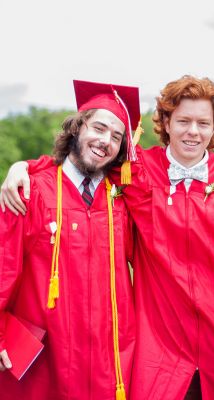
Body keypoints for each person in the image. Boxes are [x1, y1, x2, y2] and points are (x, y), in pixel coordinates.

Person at [2, 75, 214, 400]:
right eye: (183, 120)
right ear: (166, 123)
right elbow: (79, 162)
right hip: (161, 354)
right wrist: (24, 167)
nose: (193, 131)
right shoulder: (140, 174)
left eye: (203, 123)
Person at [0, 79, 141, 400]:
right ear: (77, 128)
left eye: (117, 137)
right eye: (99, 128)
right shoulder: (32, 191)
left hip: (107, 356)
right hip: (46, 353)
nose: (105, 141)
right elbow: (3, 267)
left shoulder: (123, 199)